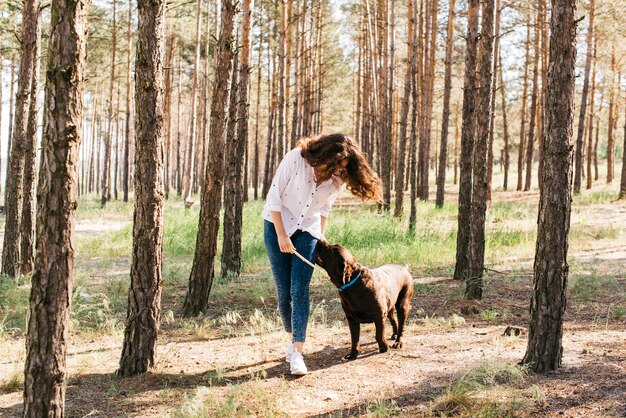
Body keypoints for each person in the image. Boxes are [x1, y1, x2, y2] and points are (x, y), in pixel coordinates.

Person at [262, 133, 382, 375]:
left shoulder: (336, 179)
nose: (338, 171)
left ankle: (297, 352)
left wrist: (320, 236)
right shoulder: (296, 159)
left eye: (343, 167)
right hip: (277, 225)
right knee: (284, 293)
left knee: (299, 290)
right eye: (336, 164)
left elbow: (324, 208)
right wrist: (282, 236)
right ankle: (291, 339)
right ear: (325, 154)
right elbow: (274, 199)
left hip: (308, 230)